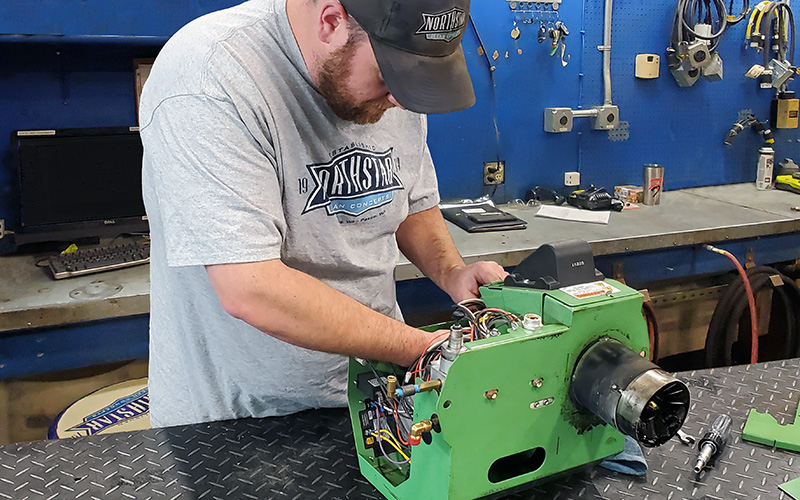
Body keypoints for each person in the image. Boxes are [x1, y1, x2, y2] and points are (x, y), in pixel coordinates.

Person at [139, 0, 507, 428]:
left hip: (379, 391)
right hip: (242, 417)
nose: (401, 101)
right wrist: (421, 348)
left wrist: (451, 273)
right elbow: (250, 287)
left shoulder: (393, 81)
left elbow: (409, 202)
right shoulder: (211, 75)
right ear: (332, 21)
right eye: (392, 76)